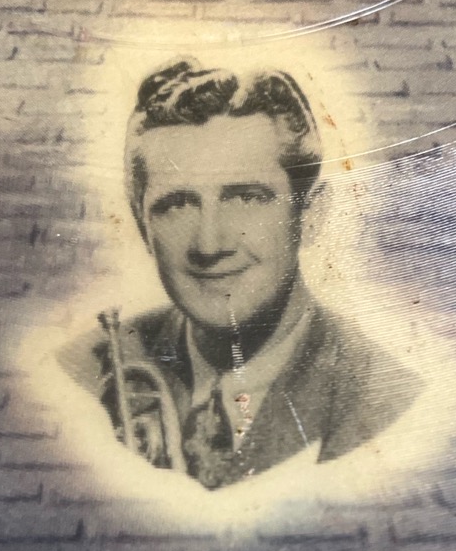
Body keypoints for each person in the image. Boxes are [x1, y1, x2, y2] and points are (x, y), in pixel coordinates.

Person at [61, 58, 423, 490]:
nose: (209, 245)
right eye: (176, 205)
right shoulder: (80, 371)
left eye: (246, 198)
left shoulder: (386, 399)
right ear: (142, 226)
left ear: (310, 216)